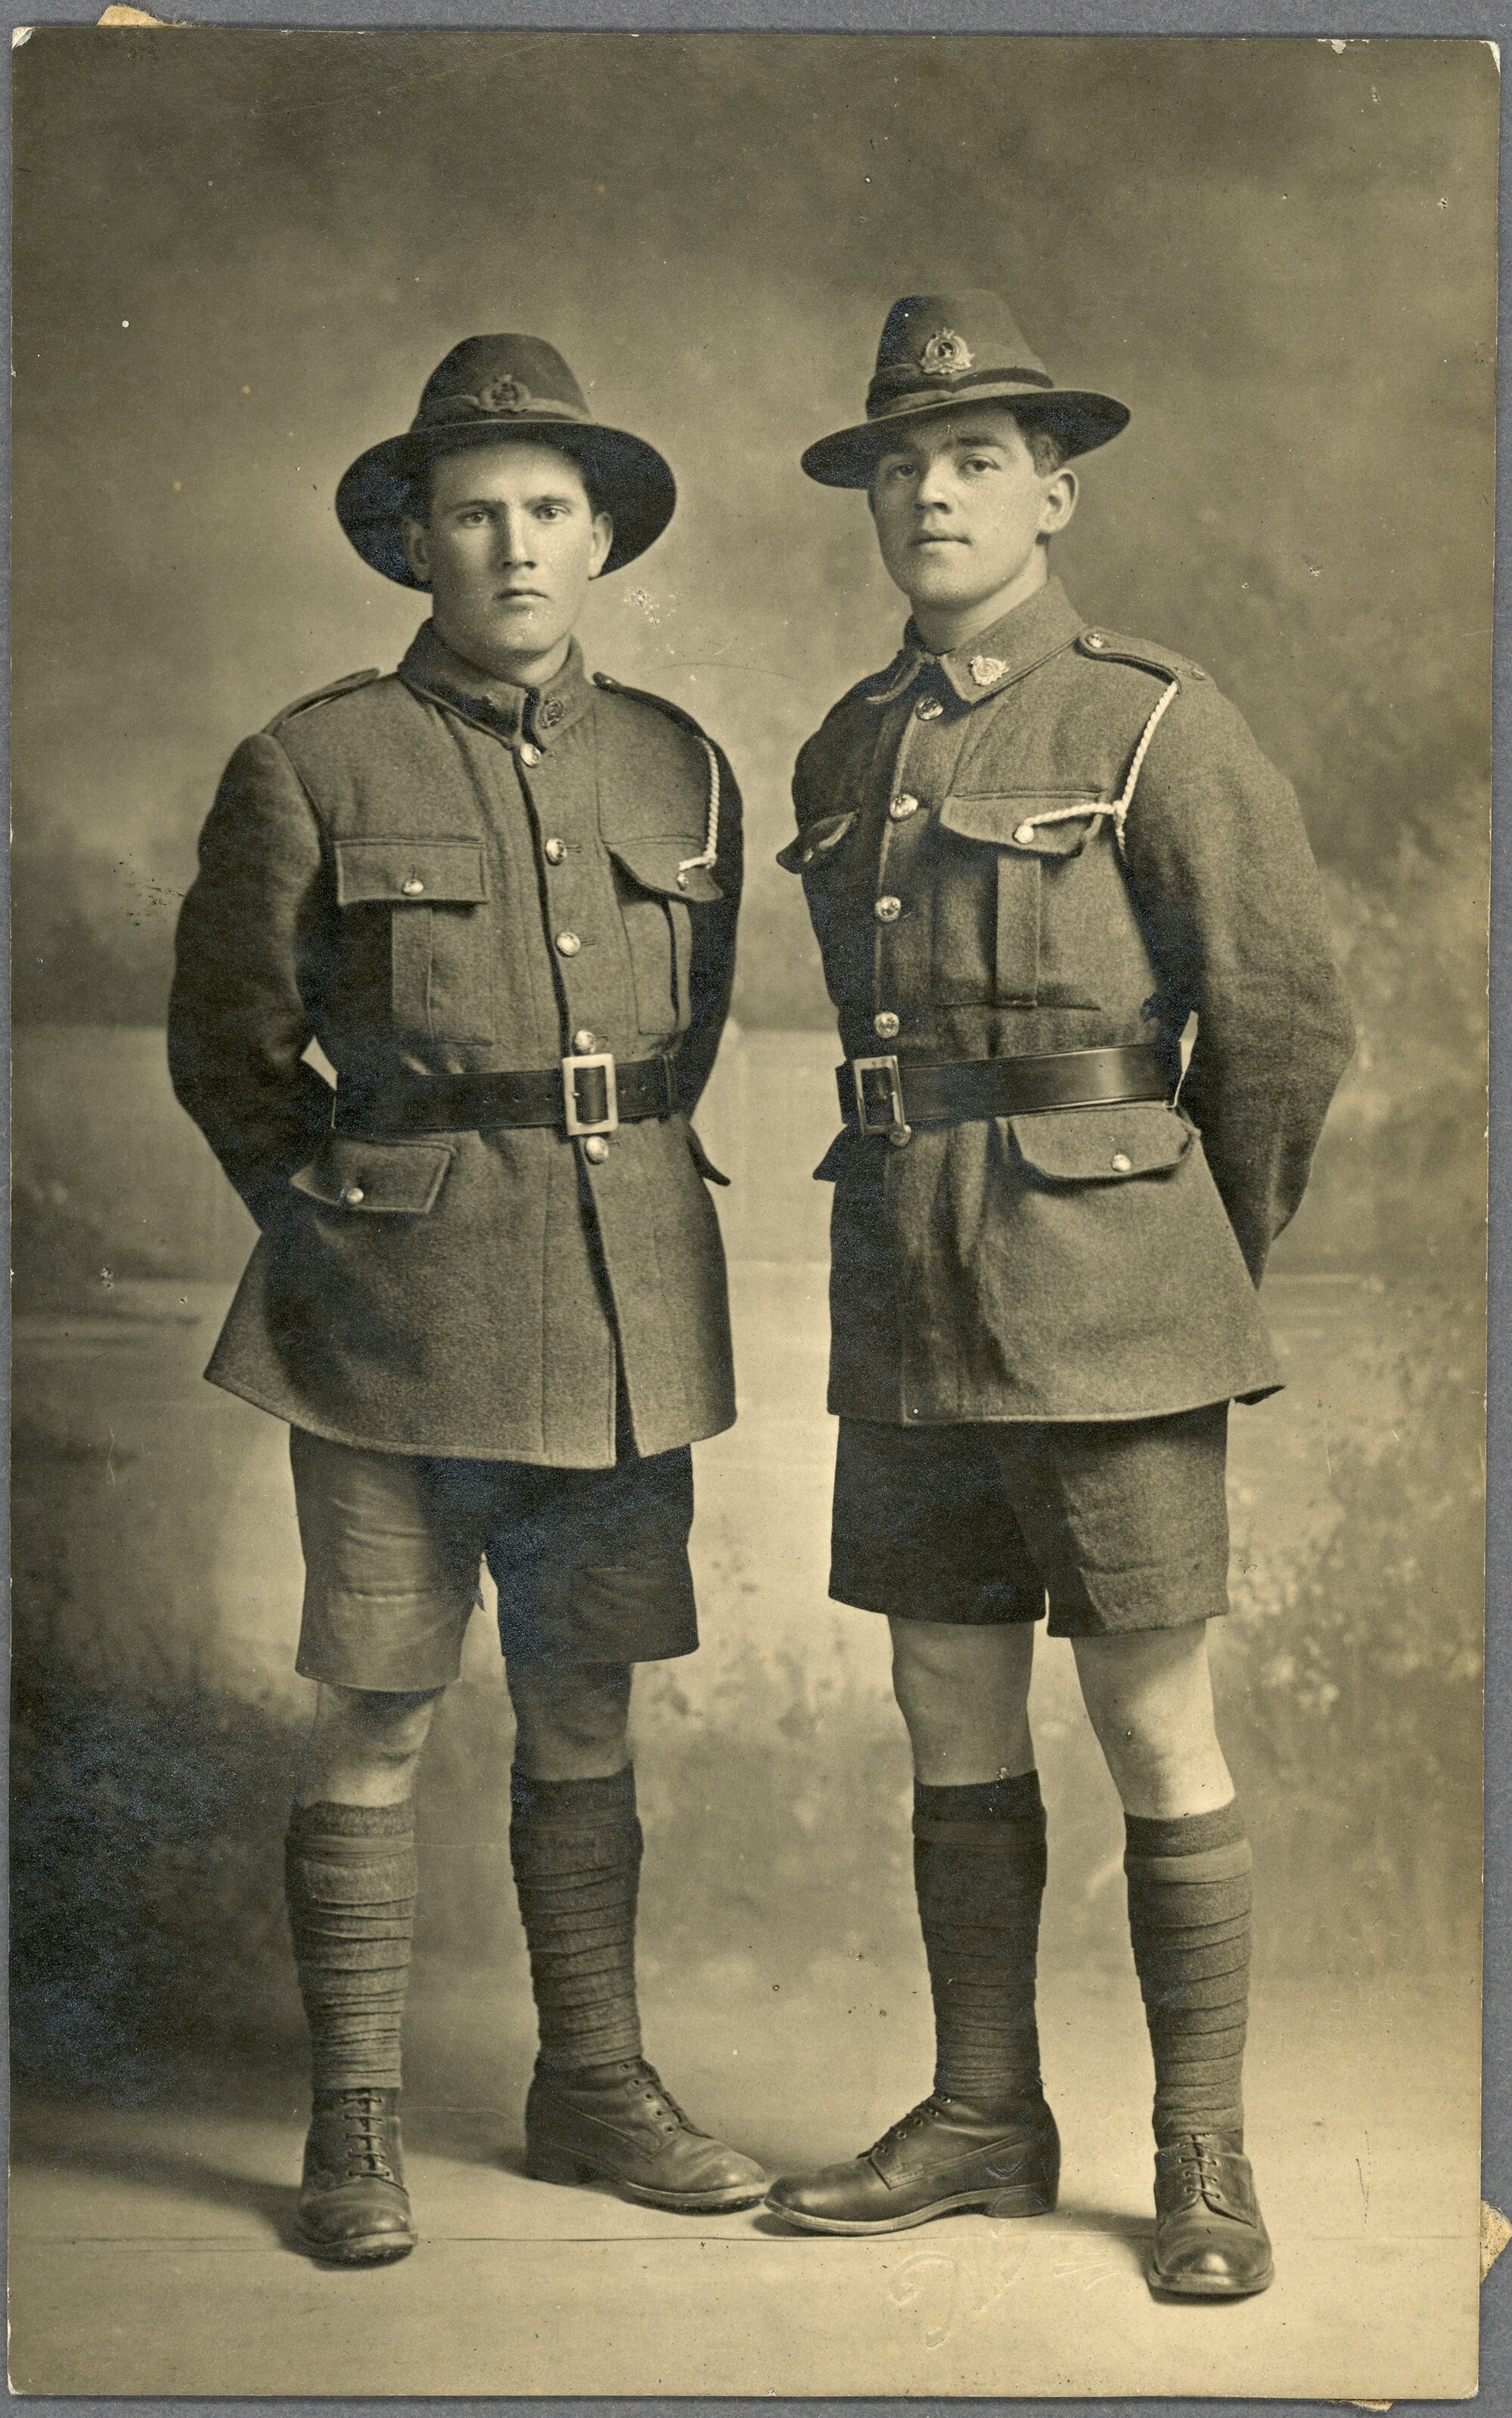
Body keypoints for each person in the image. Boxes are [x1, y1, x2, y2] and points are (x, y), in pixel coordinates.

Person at [762, 292, 1354, 2296]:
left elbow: (1278, 1025)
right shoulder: (847, 743)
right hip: (908, 1290)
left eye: (977, 459)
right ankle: (984, 2112)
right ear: (873, 503)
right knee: (947, 1691)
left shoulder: (1153, 717)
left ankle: (1206, 2164)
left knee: (1152, 1715)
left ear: (1053, 492)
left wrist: (1189, 1263)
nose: (933, 491)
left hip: (1113, 1294)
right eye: (904, 465)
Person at [169, 333, 764, 2265]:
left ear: (598, 537)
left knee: (583, 1707)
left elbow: (681, 1037)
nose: (514, 546)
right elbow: (231, 1048)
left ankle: (590, 2079)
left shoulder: (682, 759)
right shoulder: (310, 759)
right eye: (474, 512)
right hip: (384, 1322)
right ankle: (352, 2127)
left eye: (549, 511)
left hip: (619, 1315)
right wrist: (353, 1217)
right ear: (412, 541)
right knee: (379, 1713)